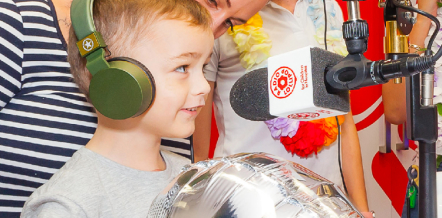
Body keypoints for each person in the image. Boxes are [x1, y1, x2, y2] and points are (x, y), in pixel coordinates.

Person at [0, 0, 210, 216]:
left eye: (204, 67)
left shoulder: (192, 179)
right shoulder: (68, 205)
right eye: (182, 67)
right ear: (114, 78)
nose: (204, 86)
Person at [194, 0, 373, 216]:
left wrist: (361, 211)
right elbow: (199, 146)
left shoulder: (328, 8)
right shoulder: (222, 14)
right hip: (247, 201)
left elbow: (345, 119)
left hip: (326, 202)